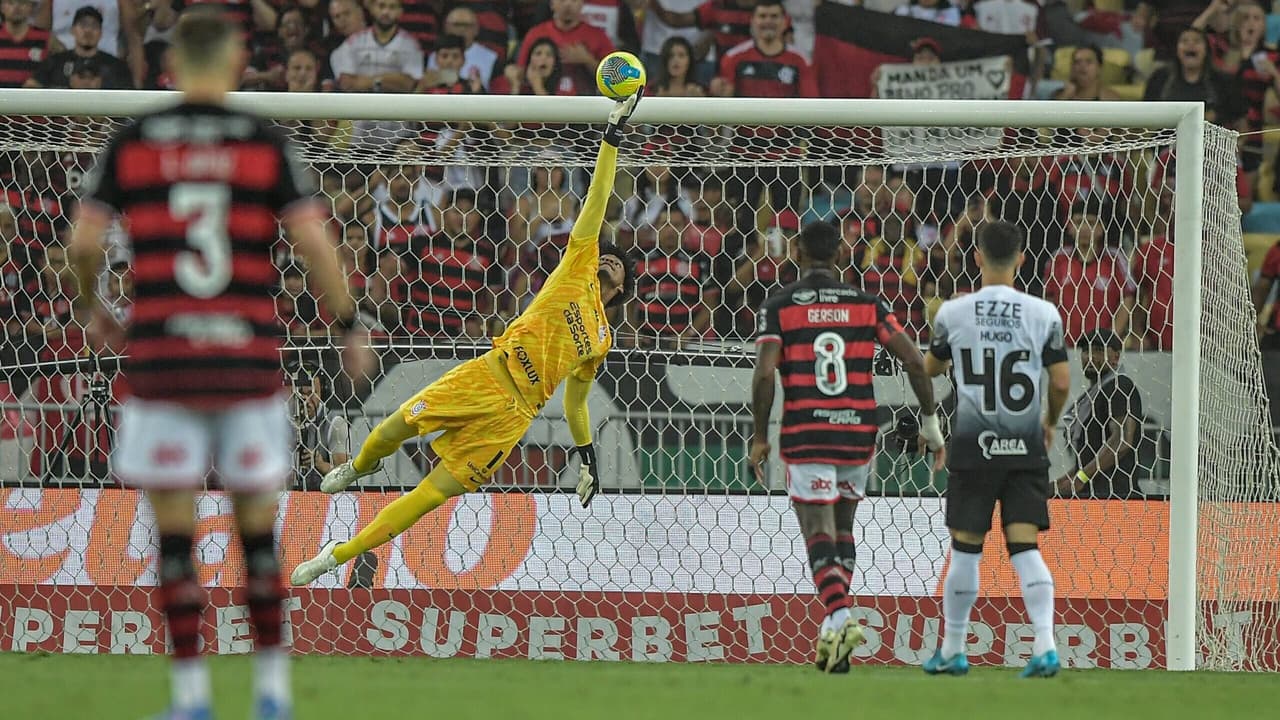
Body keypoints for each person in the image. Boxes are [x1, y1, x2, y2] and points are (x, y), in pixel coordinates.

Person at [66, 10, 368, 720]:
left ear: (170, 66)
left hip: (163, 368)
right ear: (234, 61)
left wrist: (93, 307)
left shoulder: (133, 139)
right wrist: (349, 322)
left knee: (174, 542)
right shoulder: (262, 141)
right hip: (246, 366)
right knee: (258, 541)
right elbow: (314, 242)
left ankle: (192, 699)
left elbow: (83, 243)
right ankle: (270, 696)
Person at [289, 91, 644, 586]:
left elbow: (577, 404)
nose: (612, 262)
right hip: (487, 375)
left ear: (624, 288)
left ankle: (337, 553)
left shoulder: (602, 340)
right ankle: (359, 467)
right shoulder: (577, 268)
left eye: (621, 268)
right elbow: (598, 200)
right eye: (610, 256)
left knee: (430, 497)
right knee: (391, 432)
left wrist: (586, 458)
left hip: (514, 417)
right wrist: (612, 135)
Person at [748, 220, 945, 673]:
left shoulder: (779, 306)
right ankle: (834, 639)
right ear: (840, 254)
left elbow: (763, 373)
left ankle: (839, 616)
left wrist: (760, 435)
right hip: (858, 435)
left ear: (797, 252)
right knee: (843, 532)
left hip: (808, 434)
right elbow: (915, 360)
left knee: (817, 531)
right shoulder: (867, 303)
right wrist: (931, 423)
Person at [920, 220, 1072, 678]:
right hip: (1025, 447)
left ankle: (952, 649)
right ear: (1022, 259)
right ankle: (1045, 645)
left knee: (966, 549)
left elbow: (927, 369)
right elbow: (1061, 381)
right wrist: (1048, 422)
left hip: (973, 446)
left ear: (978, 258)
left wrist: (942, 336)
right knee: (1024, 547)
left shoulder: (954, 312)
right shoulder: (1044, 313)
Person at [1056, 329, 1144, 499]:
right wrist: (1058, 484)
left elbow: (1122, 440)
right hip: (1096, 496)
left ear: (1116, 357)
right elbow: (1088, 459)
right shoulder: (1093, 394)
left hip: (1116, 498)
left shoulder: (1120, 386)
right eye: (1085, 350)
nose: (1089, 357)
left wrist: (1081, 478)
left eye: (1098, 350)